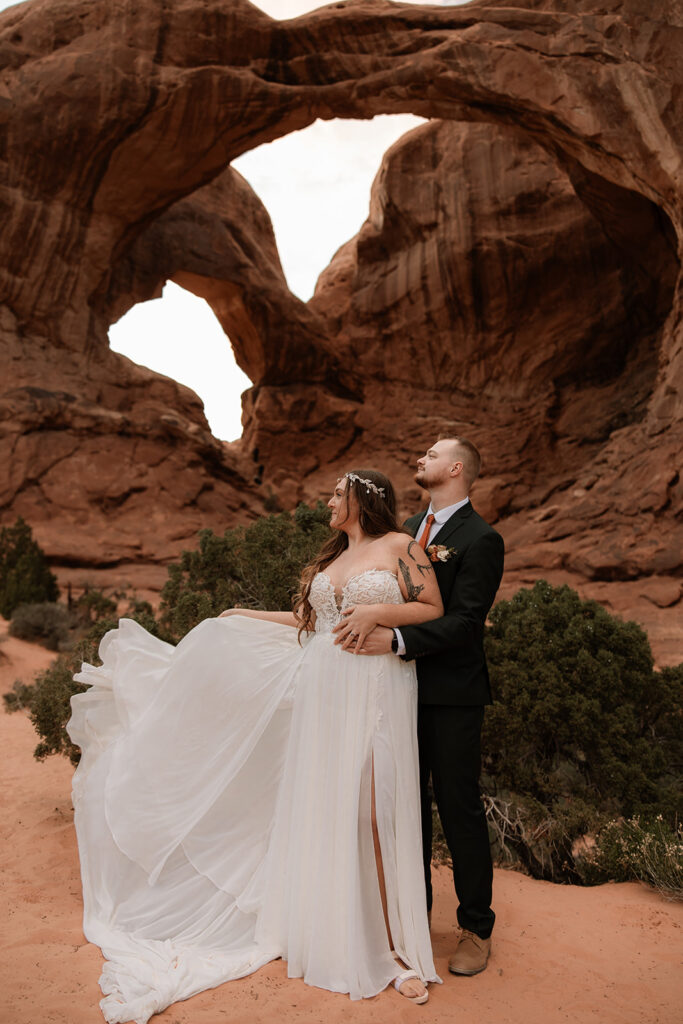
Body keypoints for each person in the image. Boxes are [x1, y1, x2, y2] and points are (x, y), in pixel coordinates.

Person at [67, 469, 444, 1024]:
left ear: (364, 498)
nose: (329, 502)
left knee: (373, 808)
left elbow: (432, 608)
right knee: (328, 812)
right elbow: (311, 623)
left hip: (375, 687)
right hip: (323, 692)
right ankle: (328, 929)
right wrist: (241, 618)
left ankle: (396, 956)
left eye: (338, 494)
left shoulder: (401, 546)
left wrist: (377, 612)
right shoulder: (333, 558)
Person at [334, 438, 504, 977]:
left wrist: (398, 642)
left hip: (451, 695)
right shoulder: (404, 529)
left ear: (455, 469)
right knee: (403, 807)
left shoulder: (482, 539)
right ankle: (415, 920)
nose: (419, 459)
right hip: (392, 692)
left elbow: (464, 622)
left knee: (458, 809)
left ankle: (476, 929)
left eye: (431, 454)